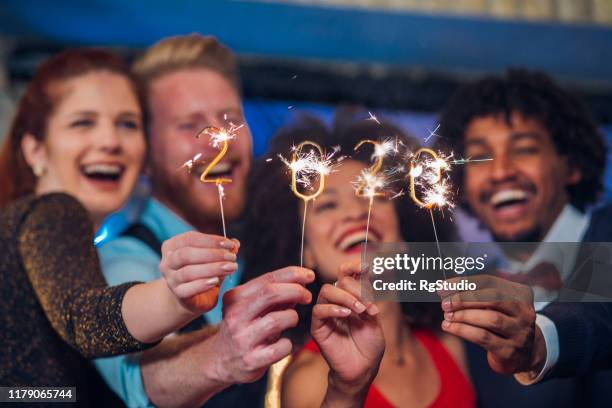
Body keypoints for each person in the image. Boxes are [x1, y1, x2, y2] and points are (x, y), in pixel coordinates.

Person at [0, 49, 241, 406]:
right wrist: (174, 296)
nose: (110, 141)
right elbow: (83, 318)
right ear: (35, 149)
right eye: (83, 122)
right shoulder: (52, 211)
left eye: (127, 123)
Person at [94, 34, 313, 408]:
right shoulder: (122, 259)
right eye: (189, 125)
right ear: (144, 154)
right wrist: (222, 353)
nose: (220, 142)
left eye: (230, 121)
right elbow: (142, 379)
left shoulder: (270, 243)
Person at [242, 114, 476, 408]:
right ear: (306, 253)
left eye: (373, 195)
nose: (356, 214)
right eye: (327, 205)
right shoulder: (308, 379)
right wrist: (346, 391)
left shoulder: (449, 346)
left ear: (404, 234)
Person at [435, 68, 612, 405]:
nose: (501, 171)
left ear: (571, 165)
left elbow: (602, 308)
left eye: (525, 149)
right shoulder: (463, 305)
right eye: (479, 157)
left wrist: (537, 341)